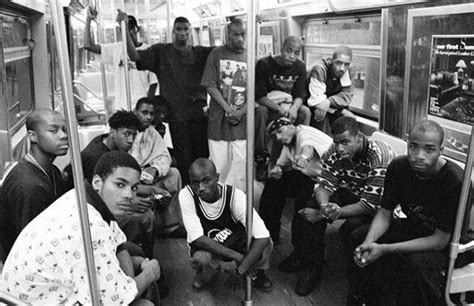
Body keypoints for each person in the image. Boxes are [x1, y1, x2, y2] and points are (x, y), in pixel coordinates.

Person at [2, 152, 161, 305]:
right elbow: (116, 300)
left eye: (133, 188)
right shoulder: (89, 225)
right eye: (120, 184)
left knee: (136, 260)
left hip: (50, 290)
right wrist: (150, 273)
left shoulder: (84, 196)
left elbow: (119, 244)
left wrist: (133, 274)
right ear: (97, 182)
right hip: (34, 300)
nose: (128, 195)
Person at [348, 120, 466, 305]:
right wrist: (369, 242)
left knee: (415, 265)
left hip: (450, 244)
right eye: (413, 147)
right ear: (408, 144)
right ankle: (366, 298)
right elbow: (385, 213)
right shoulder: (398, 167)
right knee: (358, 236)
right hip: (415, 227)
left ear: (441, 150)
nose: (419, 156)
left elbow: (439, 241)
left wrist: (384, 249)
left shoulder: (454, 181)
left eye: (429, 149)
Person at [297, 116, 396, 296]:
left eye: (345, 142)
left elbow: (371, 205)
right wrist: (324, 205)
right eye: (336, 142)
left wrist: (325, 214)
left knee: (352, 229)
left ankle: (358, 287)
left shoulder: (378, 155)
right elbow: (323, 183)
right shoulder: (335, 151)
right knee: (311, 202)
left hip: (381, 207)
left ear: (359, 137)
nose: (340, 148)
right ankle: (313, 267)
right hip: (354, 194)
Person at [117, 10, 213, 185]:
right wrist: (124, 30)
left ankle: (203, 191)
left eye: (186, 29)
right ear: (173, 31)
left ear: (190, 31)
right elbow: (135, 56)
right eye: (179, 29)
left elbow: (224, 54)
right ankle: (187, 195)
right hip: (178, 118)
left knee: (202, 158)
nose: (182, 33)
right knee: (184, 161)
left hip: (199, 116)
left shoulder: (200, 53)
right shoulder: (161, 52)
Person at [63, 110, 156, 258]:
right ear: (112, 132)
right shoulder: (97, 157)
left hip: (99, 201)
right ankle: (145, 257)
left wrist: (150, 190)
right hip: (86, 210)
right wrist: (132, 203)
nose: (131, 140)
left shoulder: (105, 142)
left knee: (148, 204)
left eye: (134, 135)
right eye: (126, 134)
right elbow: (100, 196)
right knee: (146, 216)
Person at [258, 117, 332, 296]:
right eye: (275, 135)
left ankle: (312, 265)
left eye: (280, 131)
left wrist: (304, 157)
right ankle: (268, 236)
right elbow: (282, 164)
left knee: (305, 205)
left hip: (331, 181)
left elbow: (307, 148)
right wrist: (277, 169)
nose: (278, 137)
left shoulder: (303, 133)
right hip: (311, 178)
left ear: (290, 125)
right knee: (274, 185)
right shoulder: (289, 145)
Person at [179, 158, 274, 292]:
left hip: (236, 240)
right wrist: (239, 258)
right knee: (201, 258)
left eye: (206, 180)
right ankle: (207, 272)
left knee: (266, 244)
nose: (200, 188)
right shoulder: (186, 195)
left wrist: (239, 270)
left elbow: (262, 235)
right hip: (210, 244)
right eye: (195, 183)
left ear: (217, 178)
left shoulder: (236, 196)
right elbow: (198, 239)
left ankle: (257, 272)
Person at [0, 109, 69, 269]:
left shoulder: (52, 171)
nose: (63, 135)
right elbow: (32, 246)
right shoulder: (28, 186)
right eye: (53, 130)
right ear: (33, 136)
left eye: (64, 130)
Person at [254, 36, 311, 181]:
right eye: (288, 51)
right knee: (260, 111)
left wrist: (294, 108)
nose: (292, 56)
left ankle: (299, 155)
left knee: (305, 112)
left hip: (288, 104)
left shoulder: (300, 66)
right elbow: (259, 95)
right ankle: (261, 158)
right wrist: (278, 109)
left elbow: (300, 94)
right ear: (281, 49)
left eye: (296, 53)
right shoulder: (264, 64)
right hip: (269, 105)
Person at [201, 18, 247, 191]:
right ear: (228, 35)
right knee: (219, 166)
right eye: (236, 34)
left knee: (240, 168)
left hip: (242, 121)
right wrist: (228, 109)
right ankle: (218, 201)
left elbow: (254, 91)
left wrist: (241, 112)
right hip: (219, 119)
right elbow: (210, 86)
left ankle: (238, 203)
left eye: (243, 34)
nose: (240, 39)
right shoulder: (216, 54)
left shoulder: (250, 57)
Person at [84, 7, 157, 113]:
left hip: (140, 108)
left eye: (131, 28)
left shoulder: (149, 51)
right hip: (122, 107)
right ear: (120, 31)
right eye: (125, 29)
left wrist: (147, 108)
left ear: (137, 29)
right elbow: (88, 45)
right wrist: (88, 20)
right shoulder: (116, 49)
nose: (129, 32)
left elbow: (153, 82)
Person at [130, 97, 185, 238]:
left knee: (174, 174)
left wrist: (155, 170)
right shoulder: (128, 130)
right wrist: (141, 174)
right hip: (132, 178)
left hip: (149, 174)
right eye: (144, 112)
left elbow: (164, 156)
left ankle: (170, 225)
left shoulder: (151, 132)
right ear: (135, 112)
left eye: (151, 113)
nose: (148, 117)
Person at [307, 45, 354, 135]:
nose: (342, 68)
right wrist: (339, 111)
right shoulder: (320, 69)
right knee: (321, 115)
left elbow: (347, 96)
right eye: (338, 63)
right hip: (313, 105)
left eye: (346, 64)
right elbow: (316, 101)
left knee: (350, 119)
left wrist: (328, 102)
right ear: (332, 61)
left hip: (330, 105)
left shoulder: (349, 70)